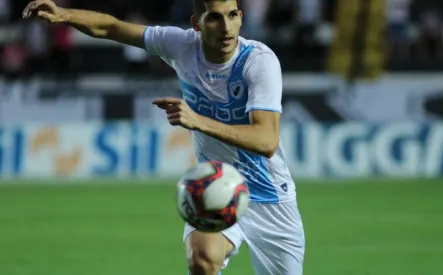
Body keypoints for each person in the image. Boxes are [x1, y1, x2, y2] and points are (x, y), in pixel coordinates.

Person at [22, 1, 305, 274]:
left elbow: (266, 141)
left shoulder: (259, 62)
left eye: (232, 15)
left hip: (271, 197)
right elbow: (112, 28)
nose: (226, 27)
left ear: (241, 16)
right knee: (202, 260)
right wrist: (65, 14)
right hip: (215, 187)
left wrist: (198, 121)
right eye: (215, 18)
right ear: (197, 23)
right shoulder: (180, 45)